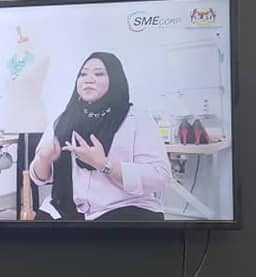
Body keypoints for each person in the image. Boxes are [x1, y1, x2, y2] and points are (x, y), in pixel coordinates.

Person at [30, 51, 172, 221]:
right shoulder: (62, 120)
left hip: (122, 207)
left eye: (98, 74)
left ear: (115, 80)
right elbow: (39, 178)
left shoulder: (137, 119)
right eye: (83, 74)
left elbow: (160, 176)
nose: (88, 79)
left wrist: (105, 165)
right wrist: (44, 159)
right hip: (62, 210)